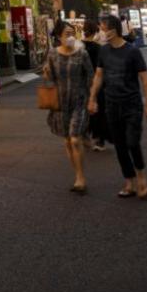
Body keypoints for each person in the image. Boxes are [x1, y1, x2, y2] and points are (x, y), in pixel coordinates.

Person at [87, 15, 147, 198]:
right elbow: (99, 76)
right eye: (100, 28)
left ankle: (141, 176)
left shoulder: (132, 51)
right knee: (119, 145)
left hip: (132, 104)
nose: (101, 32)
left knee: (132, 142)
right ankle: (129, 181)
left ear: (114, 30)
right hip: (111, 104)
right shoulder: (104, 51)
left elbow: (145, 79)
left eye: (103, 28)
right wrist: (92, 98)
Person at [42, 20, 95, 193]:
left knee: (74, 138)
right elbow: (49, 79)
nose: (71, 37)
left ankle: (81, 177)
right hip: (59, 103)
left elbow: (90, 77)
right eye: (67, 34)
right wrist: (47, 75)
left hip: (79, 100)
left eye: (72, 33)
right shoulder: (52, 54)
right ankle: (77, 174)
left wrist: (92, 99)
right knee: (67, 140)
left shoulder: (82, 54)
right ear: (59, 36)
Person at [79, 20, 110, 151]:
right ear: (96, 31)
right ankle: (99, 140)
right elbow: (103, 67)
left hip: (81, 83)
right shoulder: (99, 48)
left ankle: (84, 135)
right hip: (97, 83)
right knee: (99, 110)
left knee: (83, 109)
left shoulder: (78, 47)